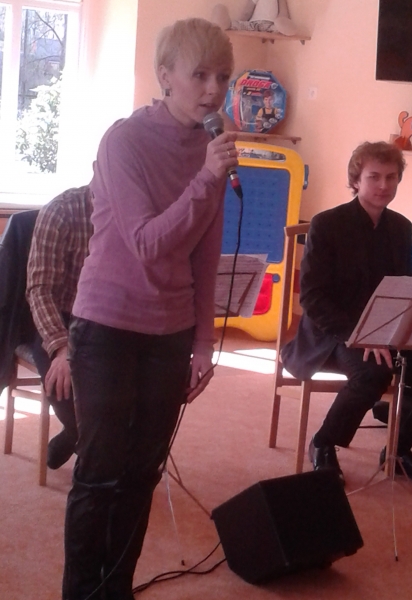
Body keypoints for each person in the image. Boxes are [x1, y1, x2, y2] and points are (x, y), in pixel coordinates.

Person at [63, 18, 236, 600]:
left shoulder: (211, 150)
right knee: (100, 472)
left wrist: (203, 343)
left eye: (223, 77)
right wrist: (206, 177)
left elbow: (205, 254)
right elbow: (146, 243)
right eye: (200, 75)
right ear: (165, 76)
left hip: (171, 331)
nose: (213, 90)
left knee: (142, 473)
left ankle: (115, 590)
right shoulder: (124, 141)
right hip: (107, 324)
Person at [281, 141, 412, 487]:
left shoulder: (401, 227)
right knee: (374, 372)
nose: (384, 185)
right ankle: (323, 443)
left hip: (383, 330)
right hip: (332, 333)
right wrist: (358, 334)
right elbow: (312, 297)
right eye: (374, 177)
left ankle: (399, 451)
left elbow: (397, 288)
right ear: (356, 180)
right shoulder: (326, 224)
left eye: (391, 177)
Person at [26, 186, 93, 470]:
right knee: (64, 384)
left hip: (105, 318)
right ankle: (77, 435)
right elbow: (40, 290)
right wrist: (62, 348)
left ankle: (73, 436)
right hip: (59, 317)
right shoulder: (62, 211)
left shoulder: (136, 209)